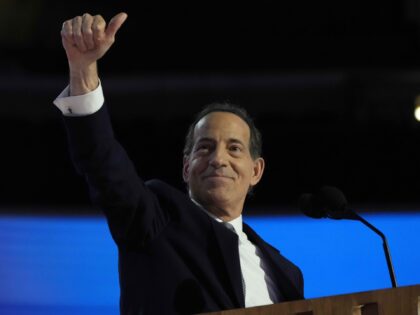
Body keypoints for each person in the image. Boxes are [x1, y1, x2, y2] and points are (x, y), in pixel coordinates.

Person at [54, 12, 304, 315]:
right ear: (186, 167)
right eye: (205, 147)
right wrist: (83, 70)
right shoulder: (154, 220)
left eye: (234, 148)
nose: (218, 159)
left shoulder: (286, 274)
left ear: (256, 171)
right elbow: (103, 162)